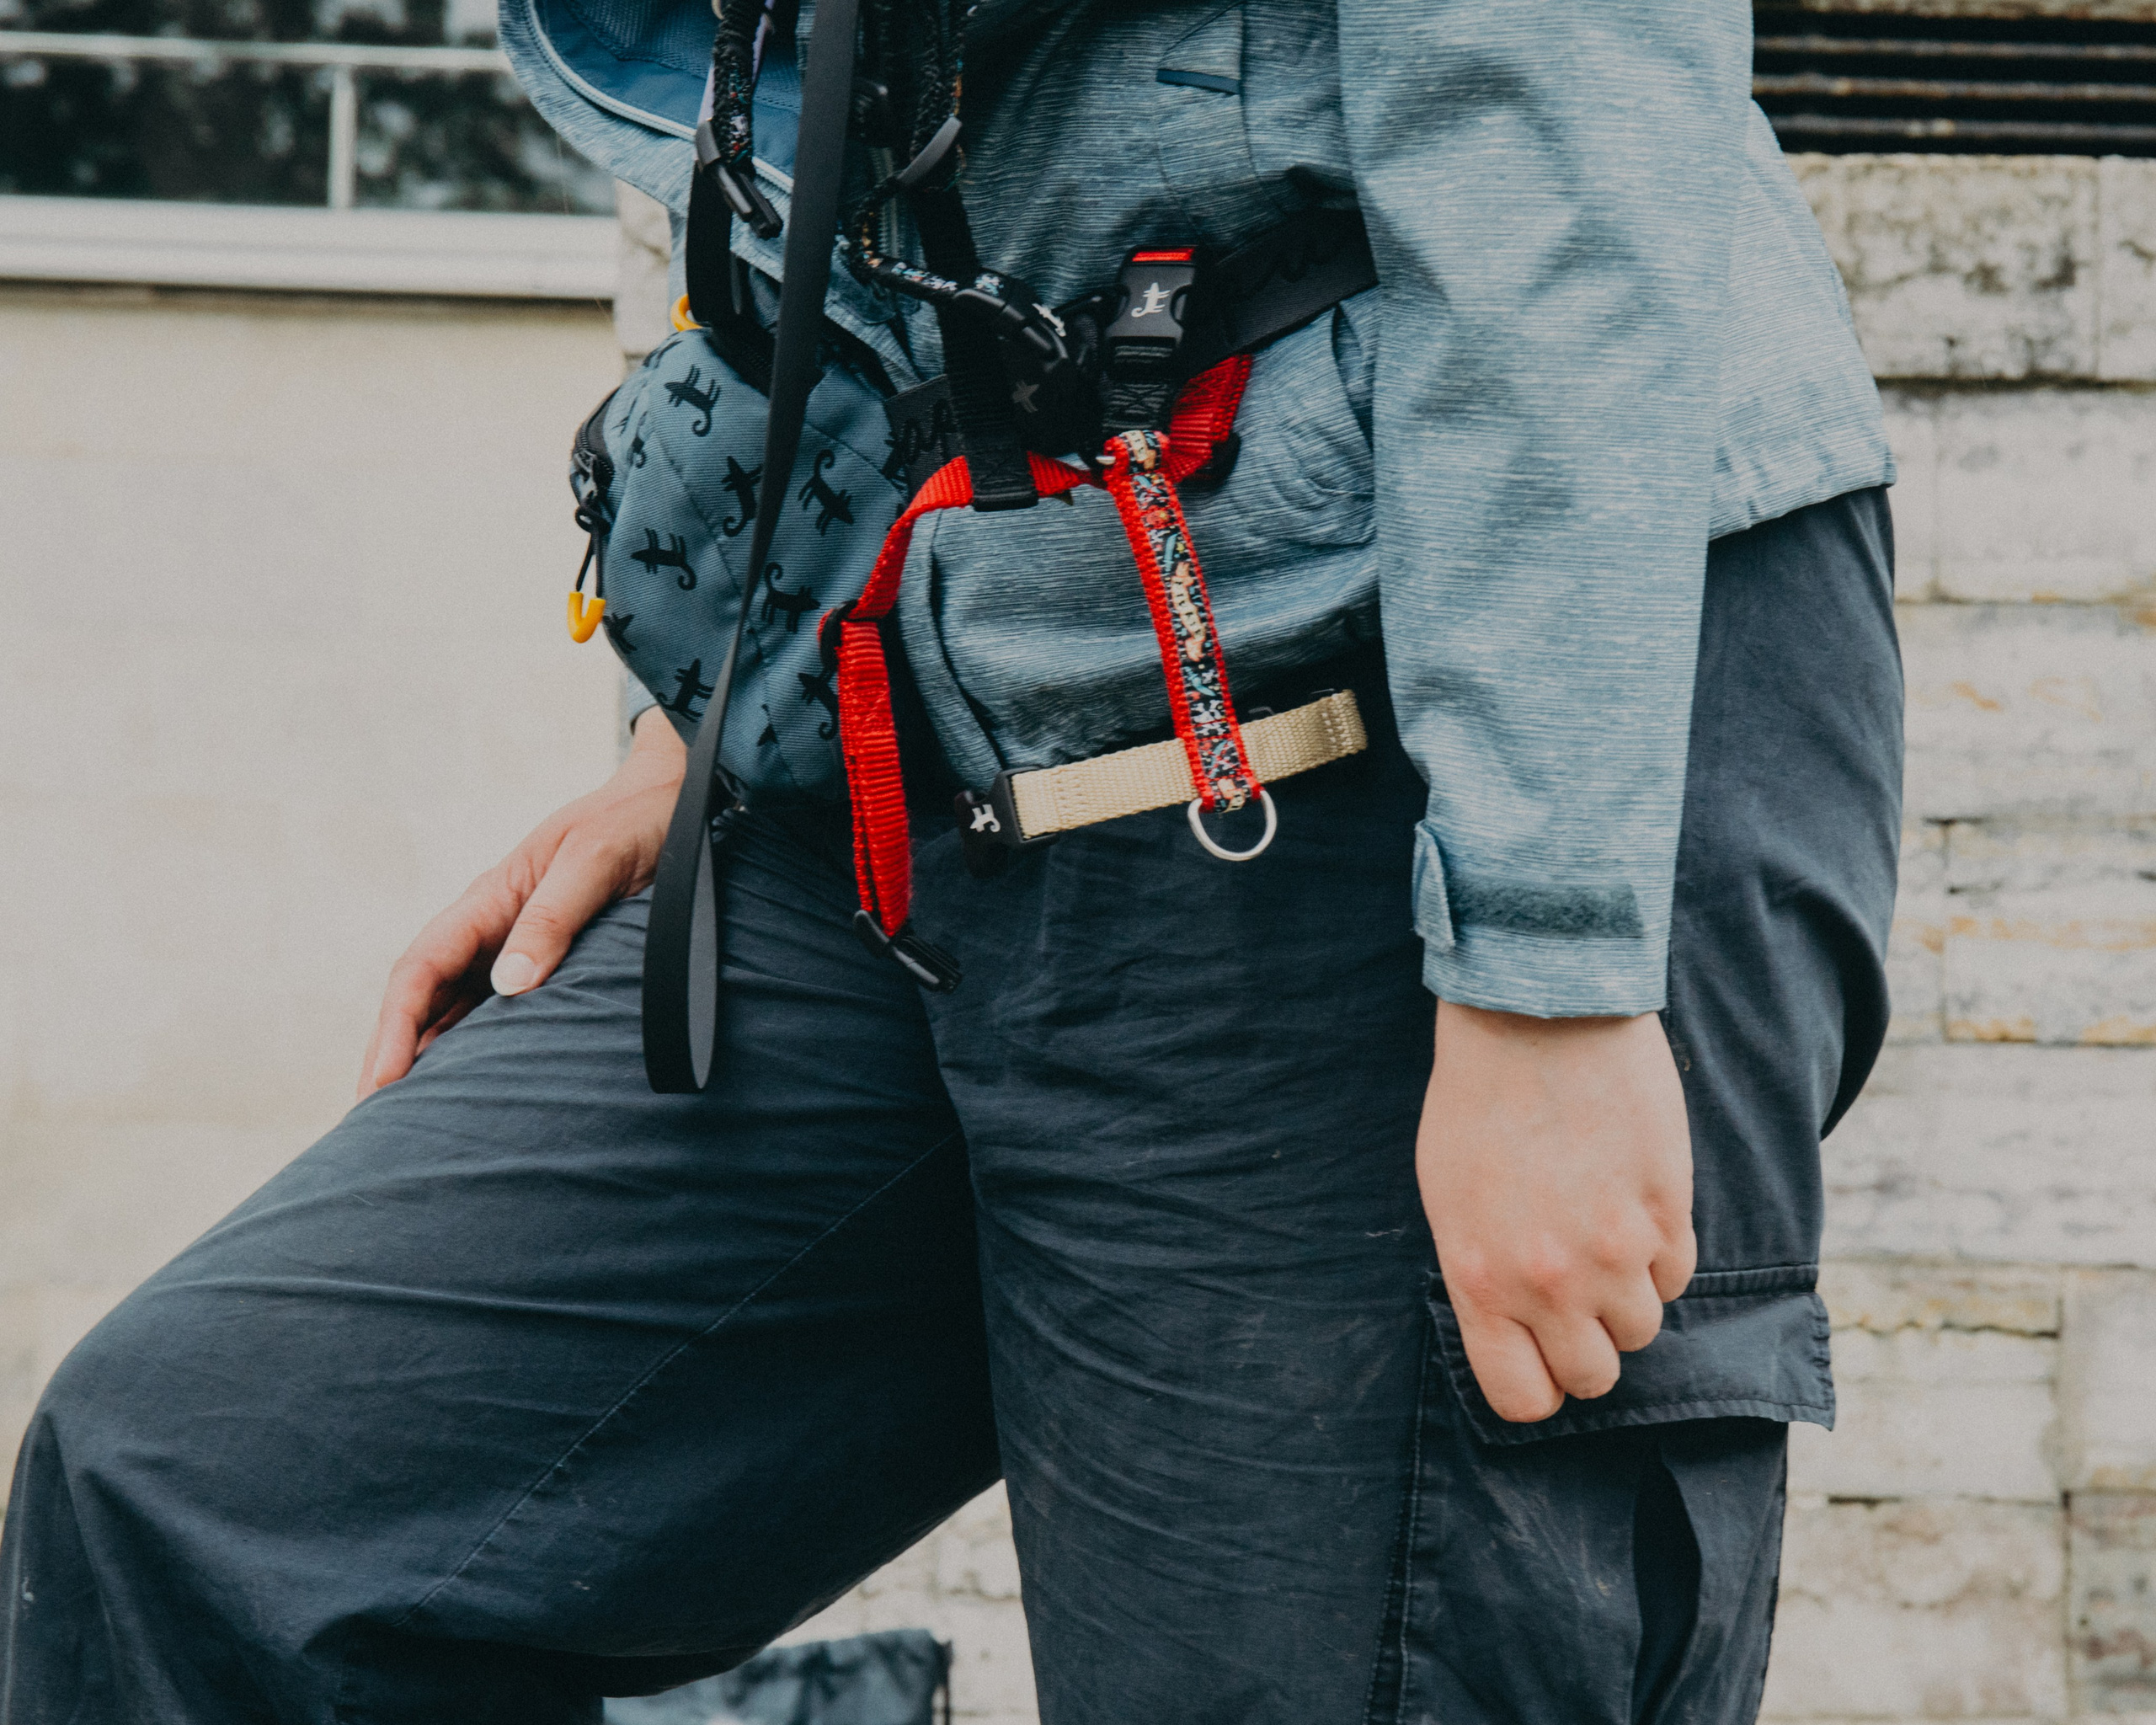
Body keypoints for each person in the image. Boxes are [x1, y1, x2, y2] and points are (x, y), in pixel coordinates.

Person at [0, 3, 1902, 1721]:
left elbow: (1555, 102)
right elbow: (852, 147)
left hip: (1438, 705)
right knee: (210, 1506)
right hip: (955, 719)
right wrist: (718, 710)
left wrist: (1547, 959)